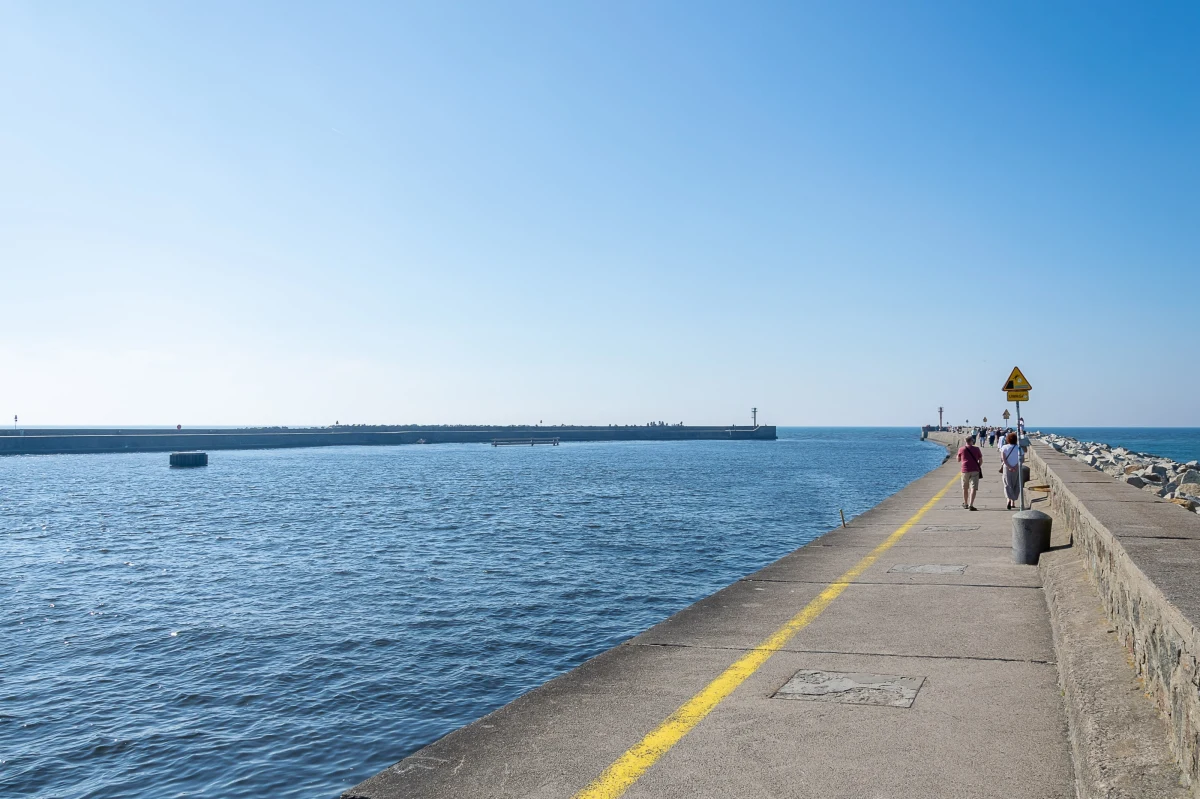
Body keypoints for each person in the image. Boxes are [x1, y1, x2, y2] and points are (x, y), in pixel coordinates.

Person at [957, 434, 984, 511]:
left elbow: (958, 460)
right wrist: (978, 466)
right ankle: (971, 505)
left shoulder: (961, 449)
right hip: (975, 470)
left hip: (965, 470)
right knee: (973, 488)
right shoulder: (977, 449)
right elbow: (981, 460)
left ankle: (965, 503)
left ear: (965, 441)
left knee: (965, 488)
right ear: (972, 441)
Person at [1000, 431, 1022, 510]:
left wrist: (1009, 467)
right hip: (1016, 467)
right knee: (1015, 483)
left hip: (1007, 468)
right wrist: (1015, 466)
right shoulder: (1019, 447)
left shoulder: (1004, 447)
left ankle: (1008, 500)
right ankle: (1013, 501)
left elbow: (1003, 459)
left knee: (1007, 484)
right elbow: (1021, 458)